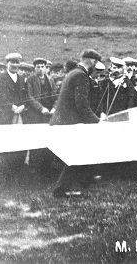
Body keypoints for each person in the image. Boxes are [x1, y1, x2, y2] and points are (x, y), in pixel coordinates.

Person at [50, 49, 102, 198]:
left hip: (64, 120)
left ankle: (84, 180)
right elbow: (82, 104)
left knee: (82, 151)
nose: (96, 65)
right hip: (70, 122)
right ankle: (61, 189)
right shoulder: (81, 75)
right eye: (96, 62)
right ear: (91, 61)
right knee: (76, 153)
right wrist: (96, 121)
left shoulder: (73, 73)